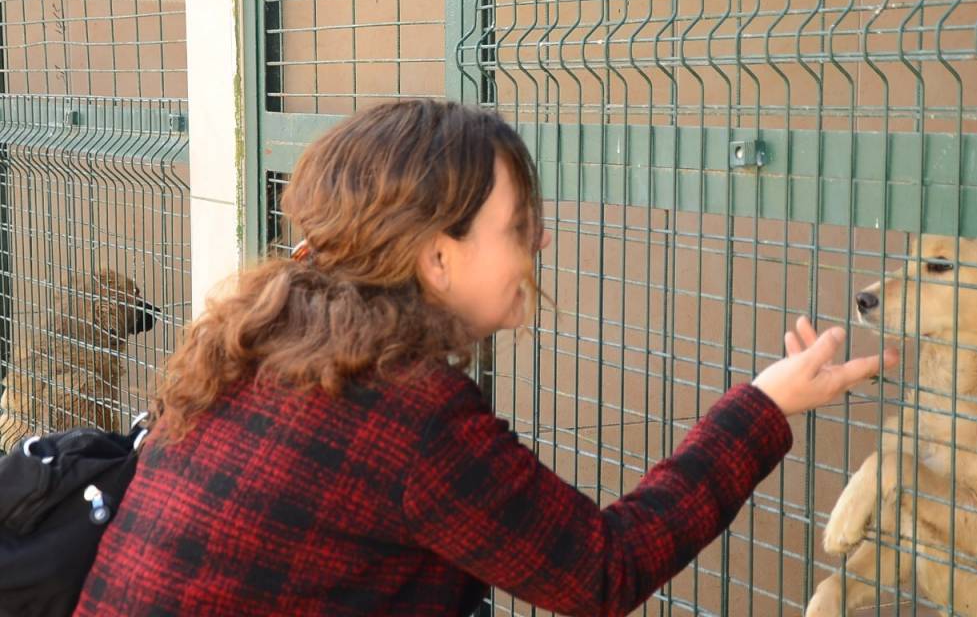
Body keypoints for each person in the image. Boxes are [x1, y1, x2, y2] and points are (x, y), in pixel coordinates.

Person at [74, 100, 897, 617]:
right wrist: (764, 407)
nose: (540, 239)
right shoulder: (407, 416)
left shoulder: (260, 344)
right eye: (517, 224)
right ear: (437, 259)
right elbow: (601, 572)